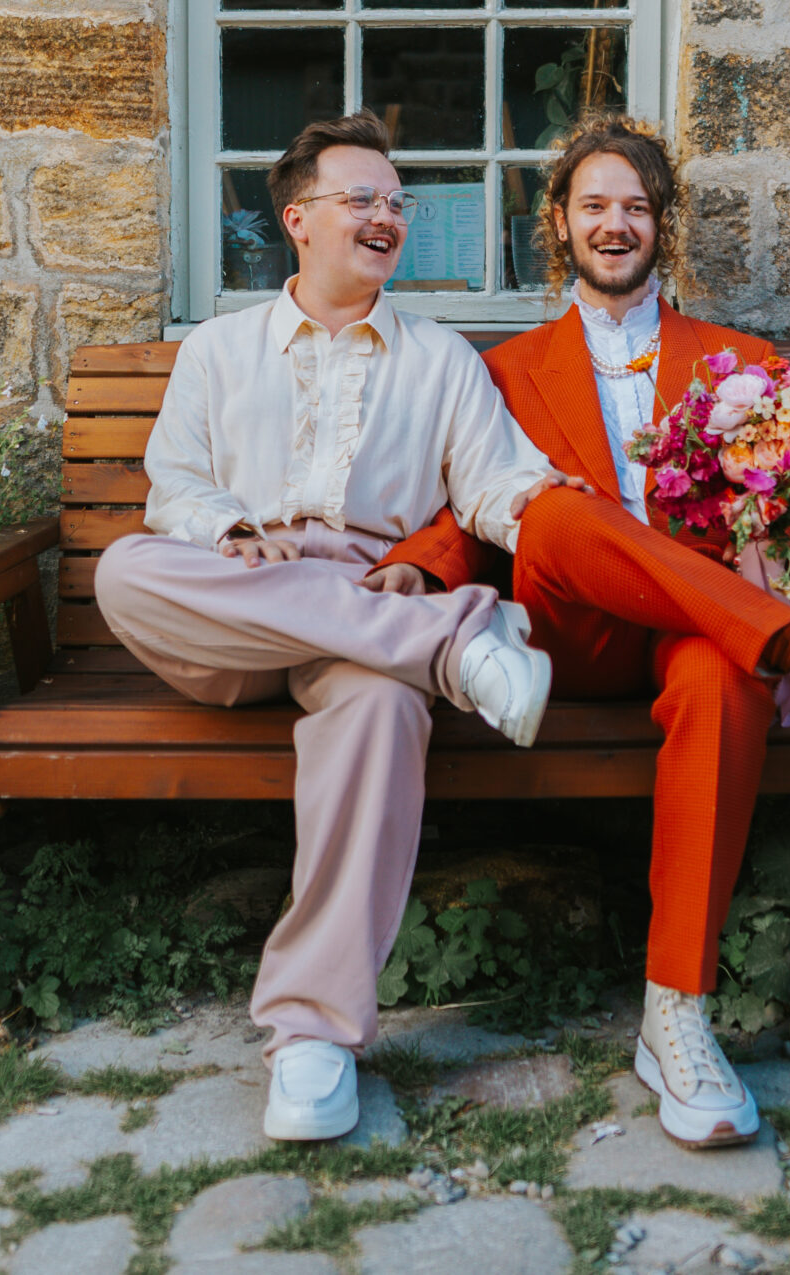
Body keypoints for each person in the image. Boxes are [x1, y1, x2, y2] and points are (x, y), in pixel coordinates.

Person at [375, 111, 790, 1150]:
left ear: (663, 226)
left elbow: (783, 514)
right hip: (563, 635)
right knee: (549, 510)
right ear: (557, 223)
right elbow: (460, 511)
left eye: (636, 208)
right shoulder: (503, 370)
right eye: (594, 206)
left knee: (721, 675)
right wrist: (413, 571)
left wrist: (776, 559)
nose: (616, 225)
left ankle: (676, 1017)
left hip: (692, 632)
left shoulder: (737, 363)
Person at [91, 110, 568, 1145]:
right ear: (298, 218)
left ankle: (312, 1034)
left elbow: (495, 487)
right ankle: (456, 647)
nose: (386, 216)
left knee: (384, 711)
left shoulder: (440, 359)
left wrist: (567, 510)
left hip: (364, 615)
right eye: (362, 198)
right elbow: (171, 488)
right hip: (232, 599)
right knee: (126, 570)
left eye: (397, 202)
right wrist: (232, 531)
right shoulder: (217, 351)